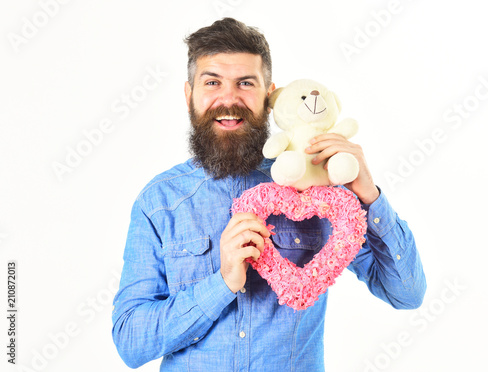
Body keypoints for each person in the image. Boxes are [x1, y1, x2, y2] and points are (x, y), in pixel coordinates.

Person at [111, 17, 426, 371]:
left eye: (245, 83)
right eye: (212, 82)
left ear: (269, 95)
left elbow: (407, 293)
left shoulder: (318, 192)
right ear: (189, 95)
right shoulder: (159, 202)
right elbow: (130, 342)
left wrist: (368, 195)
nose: (228, 98)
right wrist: (222, 283)